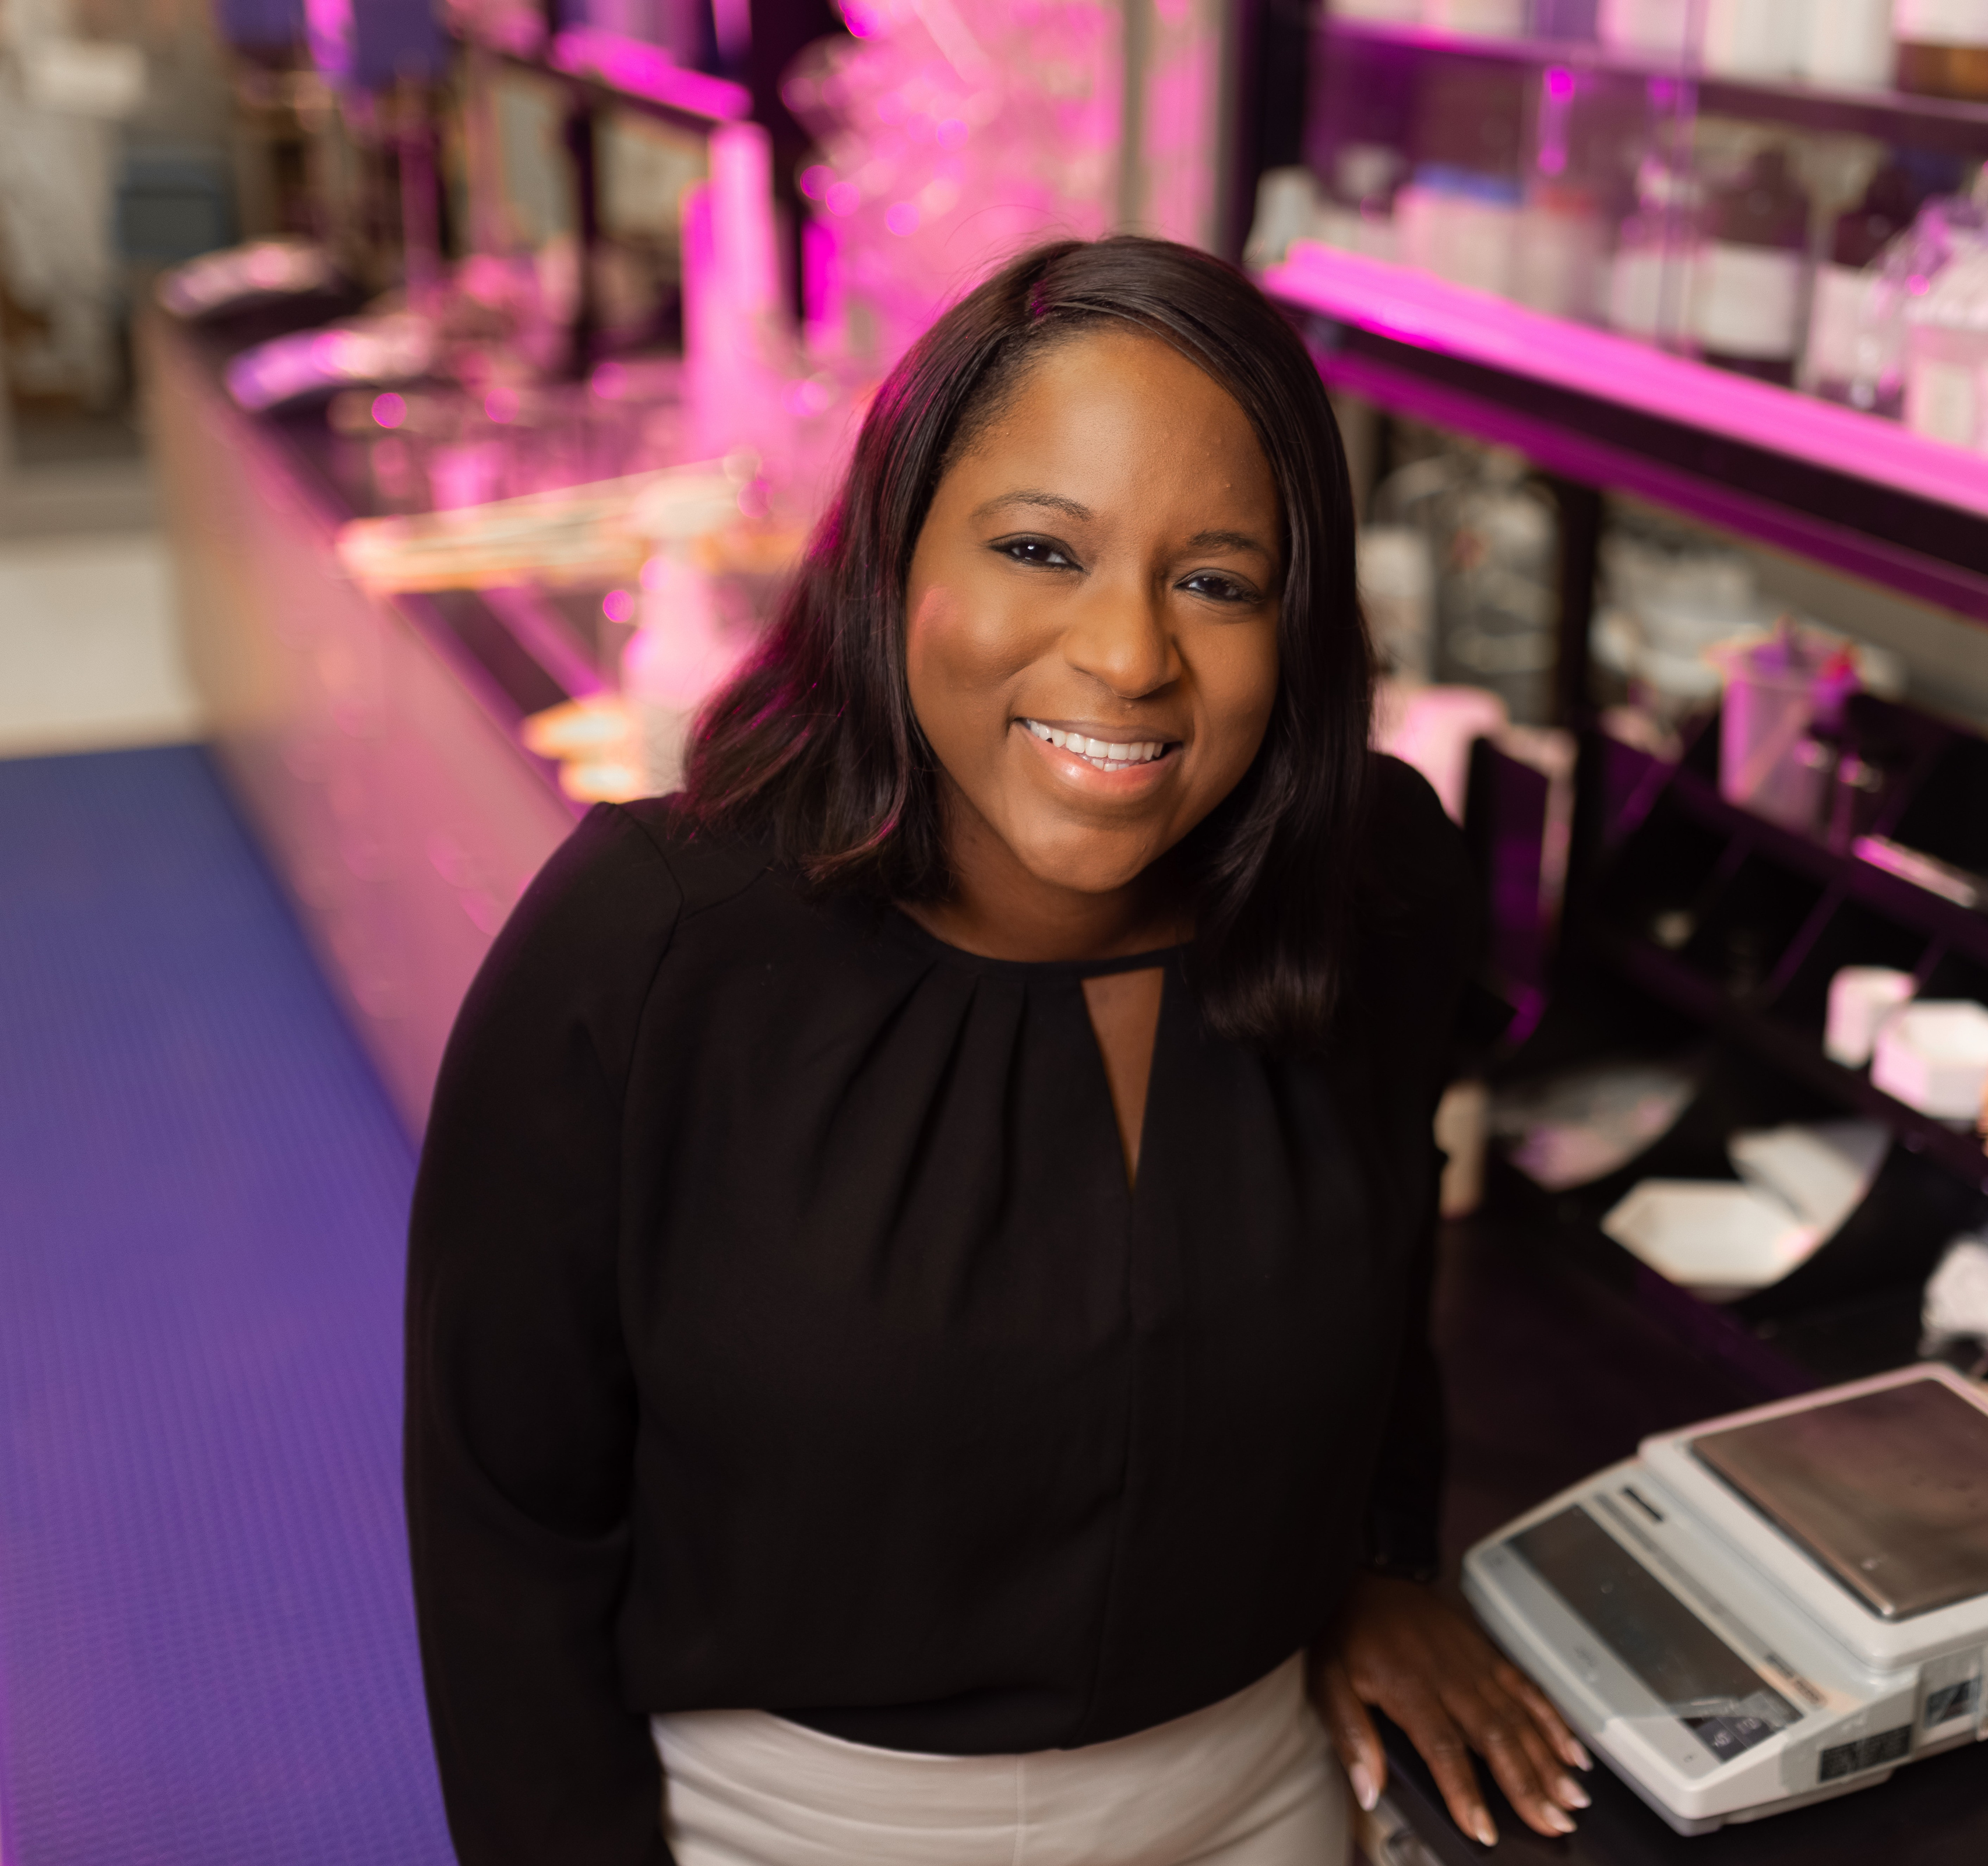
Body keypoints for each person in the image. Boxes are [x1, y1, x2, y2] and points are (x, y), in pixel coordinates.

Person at [403, 235, 1591, 1865]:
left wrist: (1382, 1556)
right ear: (895, 560)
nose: (1127, 656)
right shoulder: (653, 944)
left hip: (1263, 1792)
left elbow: (1384, 1277)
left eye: (1219, 580)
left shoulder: (1371, 888)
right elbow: (504, 1516)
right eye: (1043, 548)